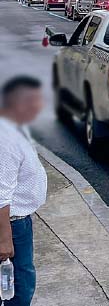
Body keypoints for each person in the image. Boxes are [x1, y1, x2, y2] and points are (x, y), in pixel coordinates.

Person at [0, 76, 47, 306]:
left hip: (19, 221)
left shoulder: (17, 127)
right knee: (19, 287)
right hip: (12, 223)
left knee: (20, 280)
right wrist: (4, 240)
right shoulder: (5, 138)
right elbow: (1, 195)